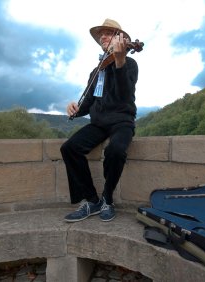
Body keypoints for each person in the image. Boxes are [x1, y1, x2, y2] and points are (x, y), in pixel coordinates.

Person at [60, 19, 138, 222]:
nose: (102, 36)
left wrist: (120, 62)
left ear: (122, 39)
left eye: (108, 33)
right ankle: (92, 200)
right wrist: (74, 110)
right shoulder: (97, 71)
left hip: (122, 121)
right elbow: (87, 104)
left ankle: (107, 198)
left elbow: (124, 95)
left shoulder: (130, 64)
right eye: (101, 34)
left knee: (115, 150)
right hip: (99, 123)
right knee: (69, 148)